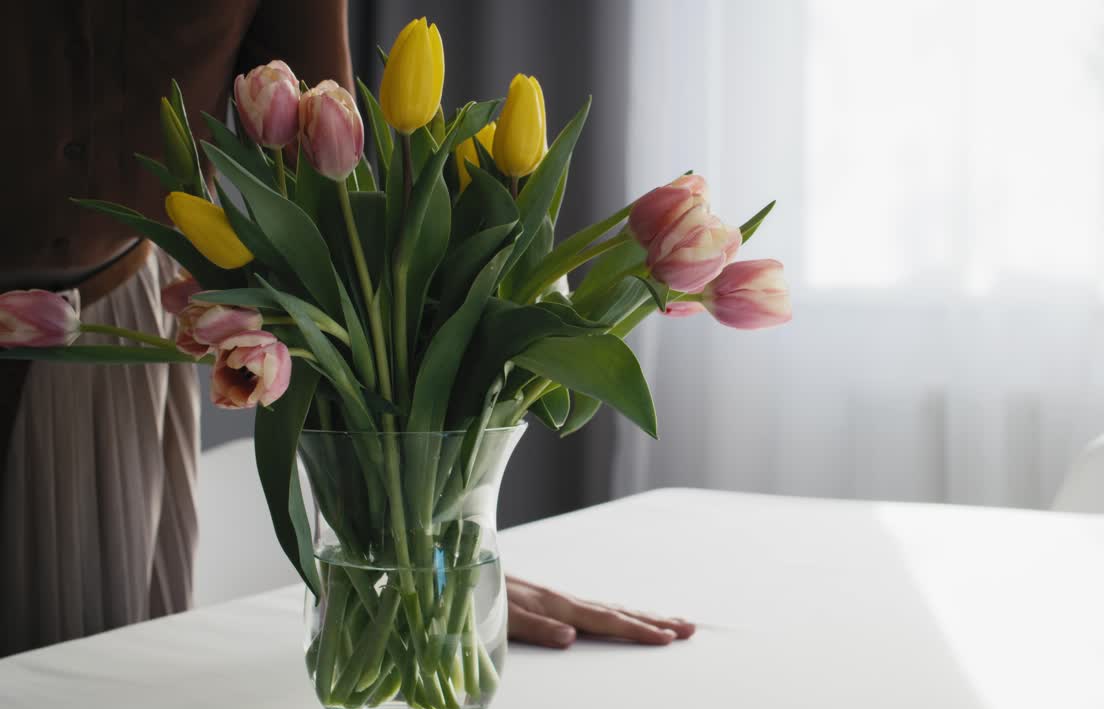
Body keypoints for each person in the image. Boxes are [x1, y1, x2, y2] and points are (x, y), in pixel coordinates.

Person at [0, 0, 692, 658]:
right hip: (110, 315)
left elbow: (327, 198)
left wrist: (419, 549)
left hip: (103, 324)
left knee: (90, 665)